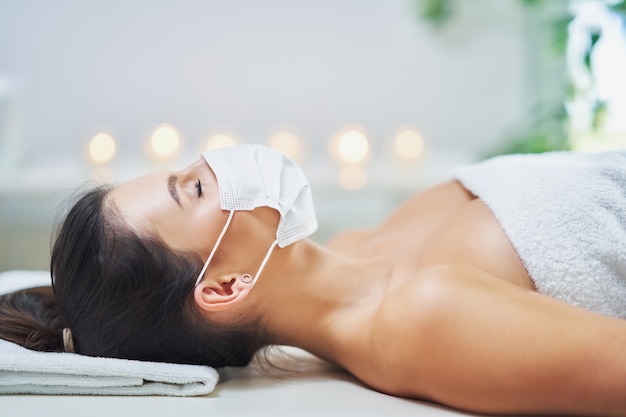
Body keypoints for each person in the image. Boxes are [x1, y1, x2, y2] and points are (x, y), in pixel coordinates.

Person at [2, 143, 626, 416]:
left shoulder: (366, 244)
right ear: (226, 286)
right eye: (193, 187)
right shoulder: (425, 319)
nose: (215, 162)